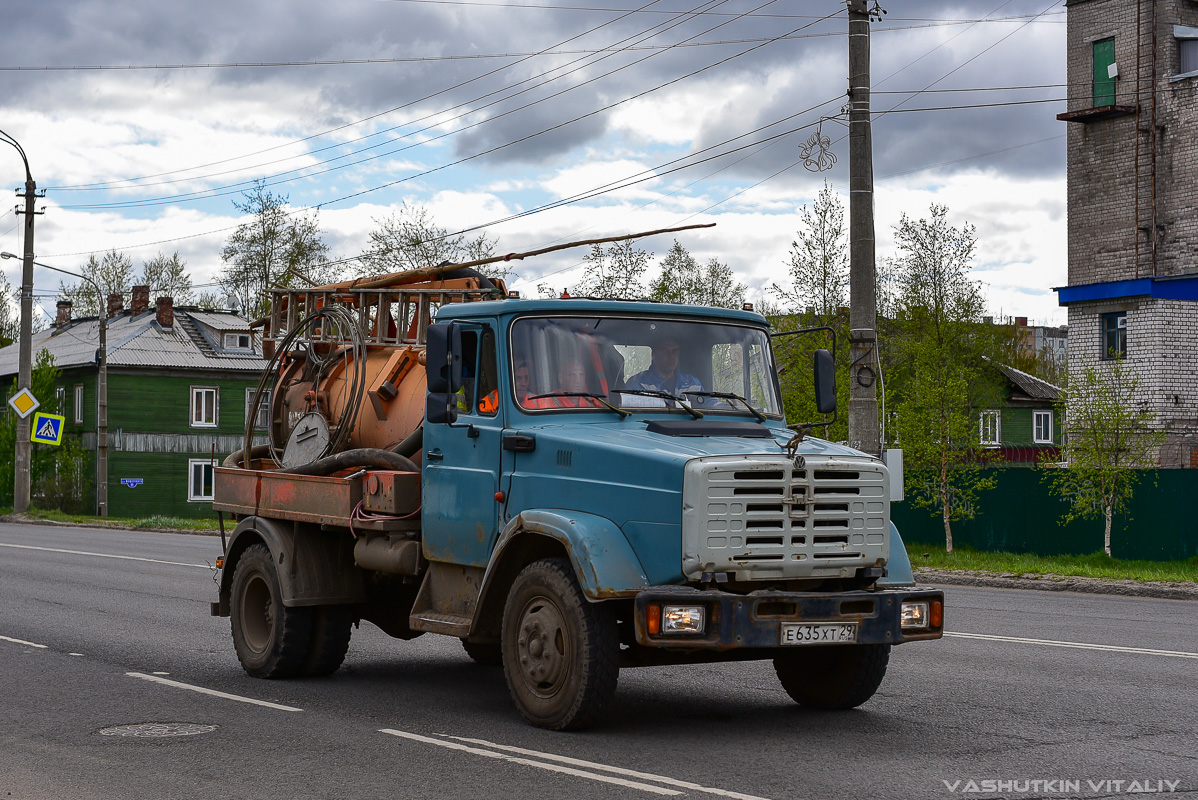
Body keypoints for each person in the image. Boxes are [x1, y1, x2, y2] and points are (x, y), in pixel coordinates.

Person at [622, 337, 703, 399]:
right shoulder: (639, 383)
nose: (671, 356)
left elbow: (712, 408)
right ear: (654, 356)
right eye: (665, 351)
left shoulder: (692, 383)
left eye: (674, 351)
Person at [524, 361, 604, 409]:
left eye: (581, 375)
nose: (578, 381)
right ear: (561, 378)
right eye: (572, 375)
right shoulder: (545, 401)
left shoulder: (592, 402)